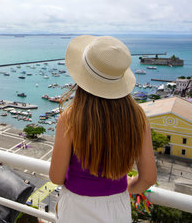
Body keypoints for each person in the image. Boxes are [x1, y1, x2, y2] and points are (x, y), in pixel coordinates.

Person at [49, 35, 157, 223]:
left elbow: (56, 177)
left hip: (77, 208)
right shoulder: (137, 117)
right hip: (118, 208)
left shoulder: (70, 118)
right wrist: (129, 186)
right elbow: (148, 178)